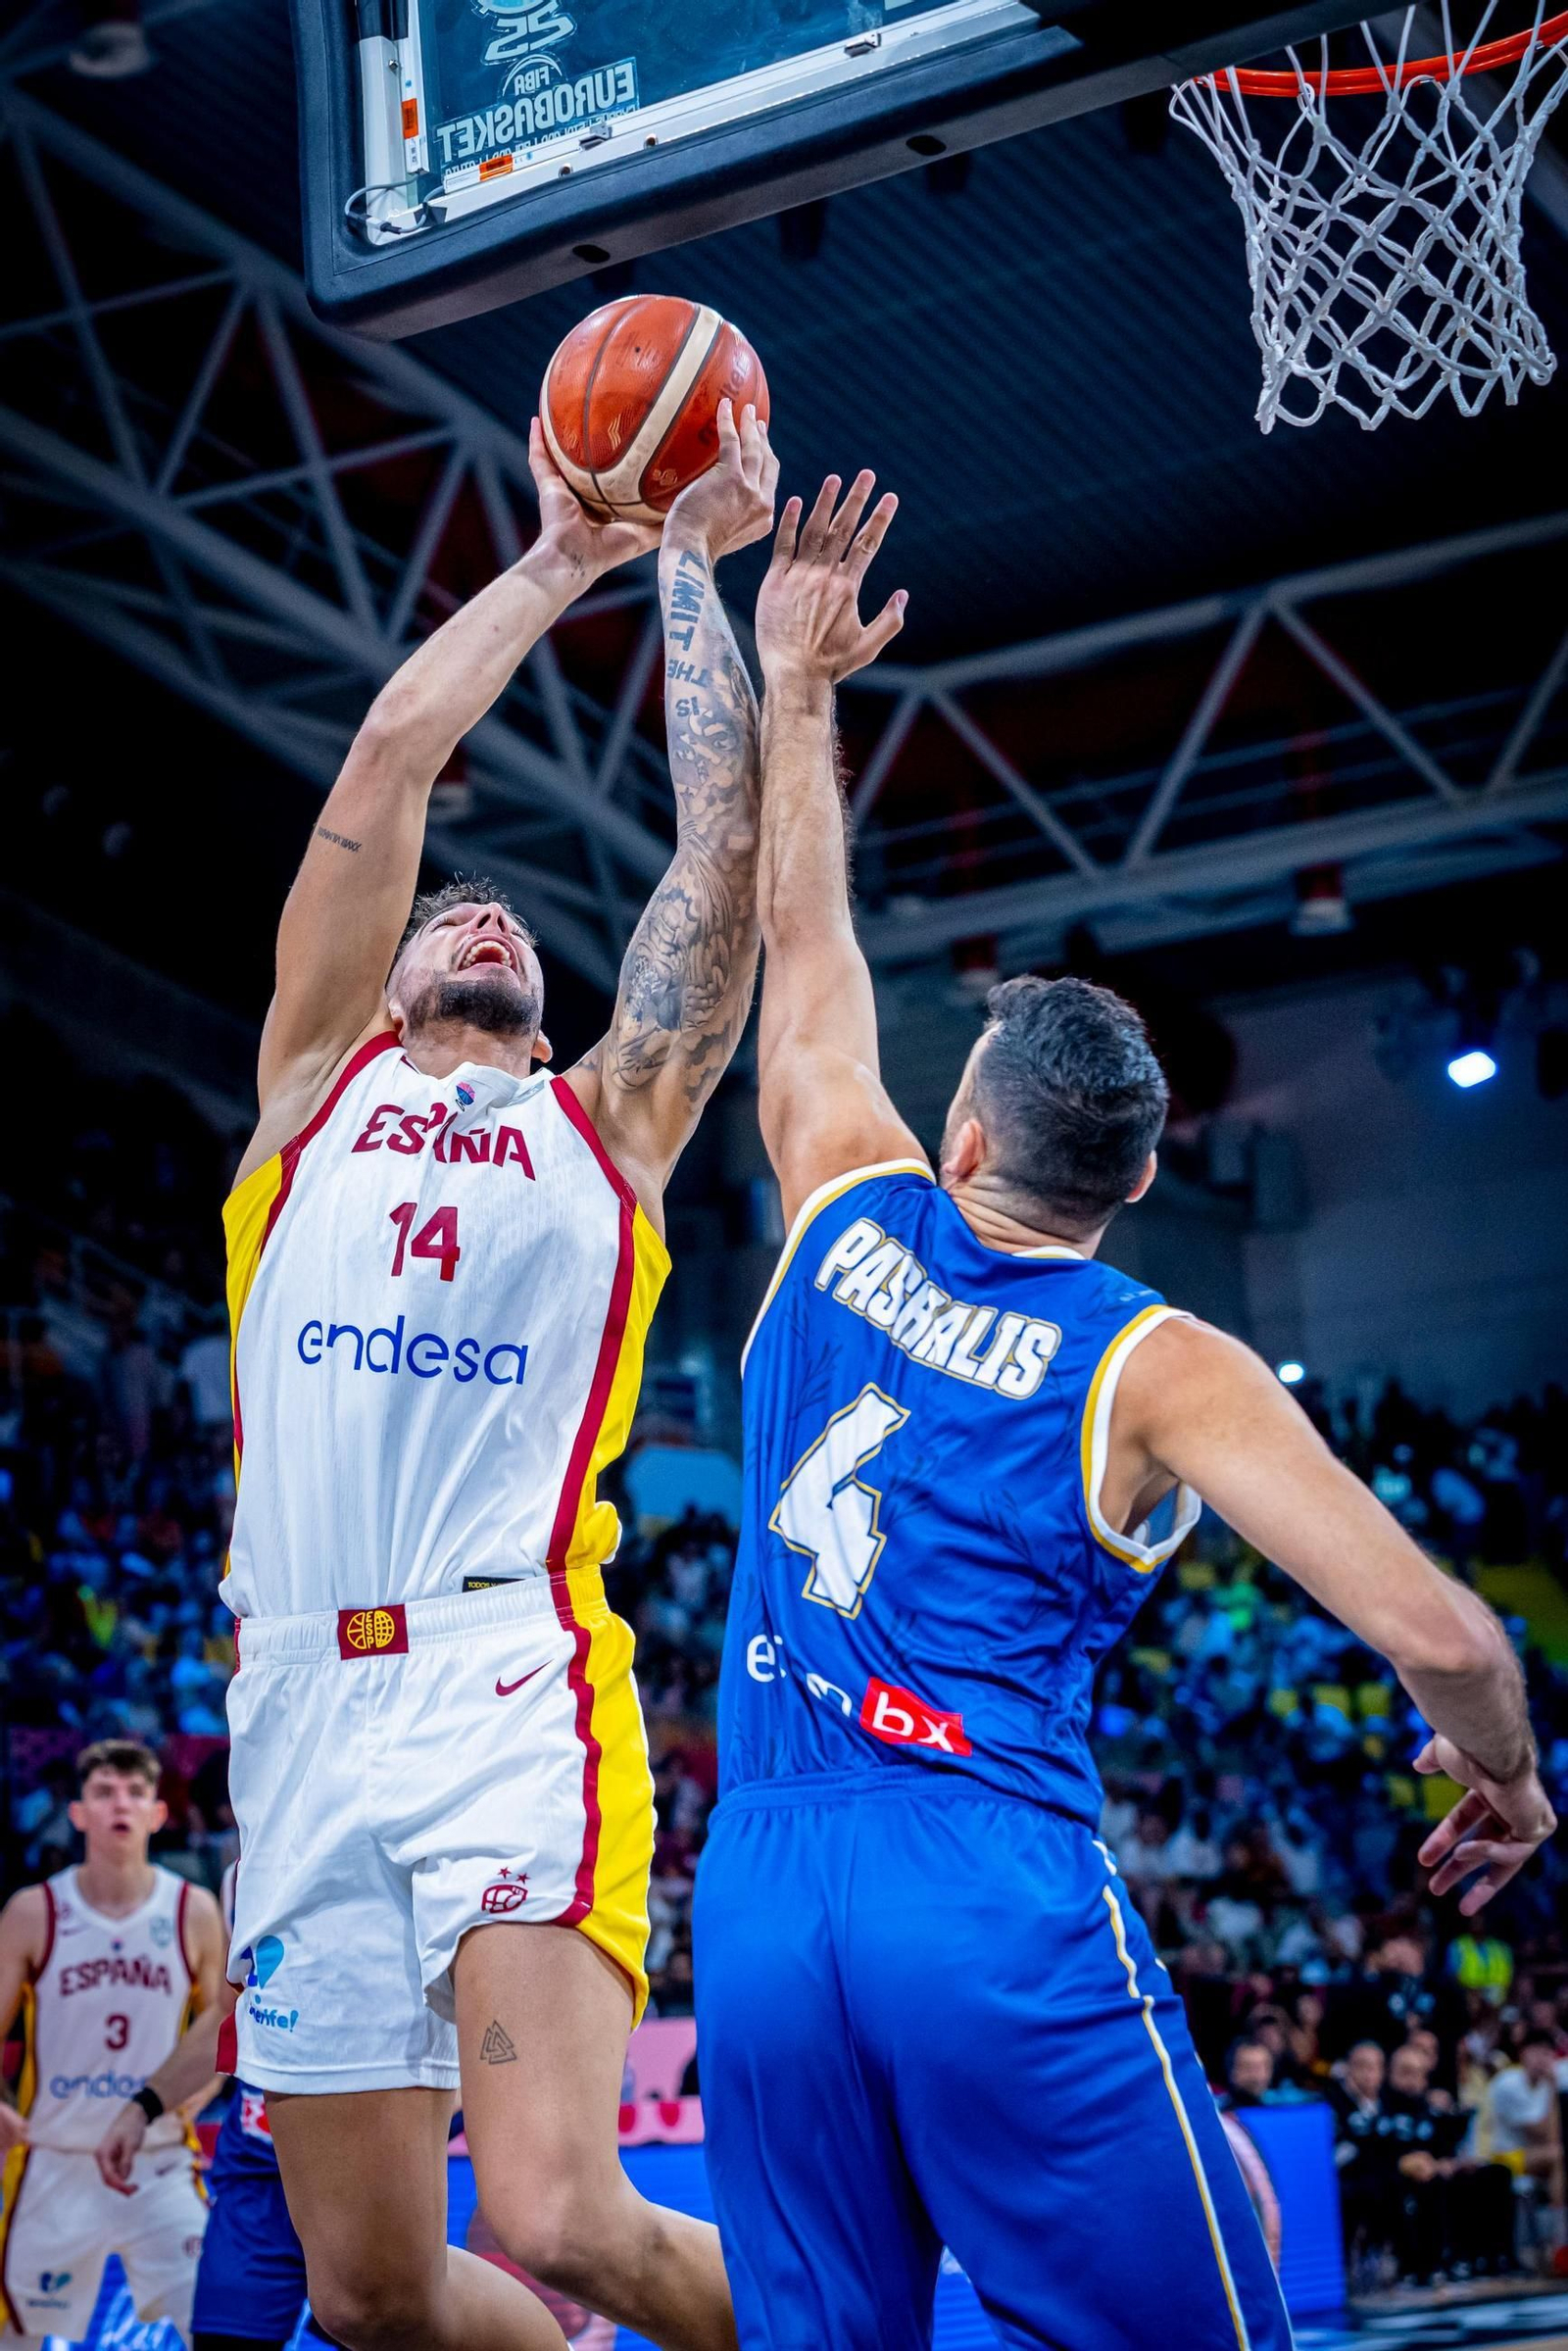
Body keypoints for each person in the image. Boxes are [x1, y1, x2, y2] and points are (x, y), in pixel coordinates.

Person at [691, 469, 1558, 2351]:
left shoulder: (847, 1190)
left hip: (758, 1887)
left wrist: (802, 682)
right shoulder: (1155, 1357)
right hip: (982, 1881)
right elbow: (1440, 1630)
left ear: (973, 1131)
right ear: (1142, 1181)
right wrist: (1500, 1766)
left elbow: (811, 960)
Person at [220, 399, 776, 2351]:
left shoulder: (604, 1135)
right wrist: (555, 560)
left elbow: (720, 861)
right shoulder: (310, 1097)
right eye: (450, 913)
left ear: (548, 1014)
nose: (482, 913)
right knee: (371, 2292)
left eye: (515, 929)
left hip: (499, 1684)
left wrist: (693, 560)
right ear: (377, 982)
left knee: (561, 2208)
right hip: (294, 1690)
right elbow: (391, 754)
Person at [0, 1739, 224, 2344]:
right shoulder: (33, 1911)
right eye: (103, 1792)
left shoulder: (193, 1911)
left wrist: (192, 2099)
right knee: (15, 2336)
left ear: (157, 1813)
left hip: (159, 2160)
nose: (119, 1803)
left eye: (135, 1792)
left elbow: (227, 2024)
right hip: (55, 2157)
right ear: (78, 1814)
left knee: (216, 2320)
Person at [97, 1864, 338, 2351]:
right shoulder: (243, 1873)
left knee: (379, 2326)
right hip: (258, 2176)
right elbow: (232, 2012)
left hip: (363, 2176)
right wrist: (143, 2107)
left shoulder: (395, 1844)